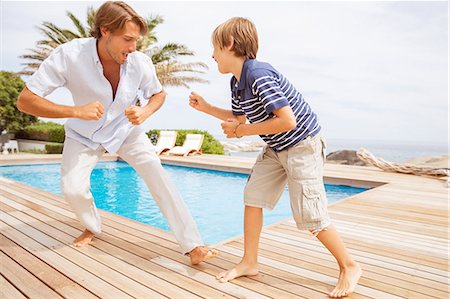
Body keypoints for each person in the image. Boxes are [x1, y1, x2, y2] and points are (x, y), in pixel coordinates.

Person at [16, 1, 216, 264]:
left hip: (125, 131)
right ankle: (92, 227)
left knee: (157, 173)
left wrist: (145, 112)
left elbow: (158, 94)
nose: (133, 47)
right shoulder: (69, 55)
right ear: (105, 31)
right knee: (72, 189)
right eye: (128, 39)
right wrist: (76, 111)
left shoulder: (140, 62)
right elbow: (25, 100)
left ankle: (193, 246)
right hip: (82, 134)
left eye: (136, 40)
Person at [189, 17, 361, 297]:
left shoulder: (258, 74)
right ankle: (249, 262)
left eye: (214, 47)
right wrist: (208, 108)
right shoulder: (237, 82)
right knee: (253, 197)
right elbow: (239, 117)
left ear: (230, 44)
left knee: (311, 215)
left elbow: (287, 120)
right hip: (276, 147)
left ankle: (349, 265)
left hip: (302, 144)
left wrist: (242, 132)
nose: (211, 54)